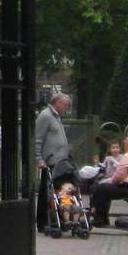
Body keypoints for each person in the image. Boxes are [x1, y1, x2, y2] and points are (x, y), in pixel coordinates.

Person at [90, 131, 128, 227]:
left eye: (126, 139)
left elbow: (118, 176)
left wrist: (110, 183)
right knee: (105, 189)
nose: (124, 141)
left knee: (101, 188)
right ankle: (102, 219)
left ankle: (100, 219)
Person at [34, 93, 73, 234]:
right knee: (46, 192)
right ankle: (42, 222)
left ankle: (59, 218)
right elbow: (38, 139)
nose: (67, 107)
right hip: (50, 161)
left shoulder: (57, 117)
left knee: (60, 191)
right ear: (57, 103)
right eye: (65, 104)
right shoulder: (46, 116)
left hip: (61, 161)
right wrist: (39, 159)